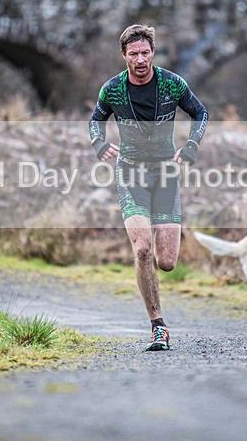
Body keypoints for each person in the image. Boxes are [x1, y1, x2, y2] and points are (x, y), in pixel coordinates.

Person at [89, 24, 208, 351]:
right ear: (124, 55)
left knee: (166, 261)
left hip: (166, 175)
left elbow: (200, 112)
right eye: (133, 54)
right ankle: (158, 326)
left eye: (145, 53)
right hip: (130, 175)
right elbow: (95, 121)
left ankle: (154, 266)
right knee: (142, 248)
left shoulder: (172, 83)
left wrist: (192, 146)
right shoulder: (112, 90)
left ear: (152, 53)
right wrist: (99, 144)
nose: (140, 59)